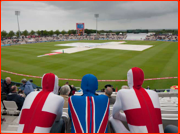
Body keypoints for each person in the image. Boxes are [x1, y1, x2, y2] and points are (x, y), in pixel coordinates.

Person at [110, 67, 163, 133]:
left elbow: (115, 115)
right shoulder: (154, 93)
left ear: (129, 79)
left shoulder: (122, 93)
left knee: (112, 118)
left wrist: (131, 118)